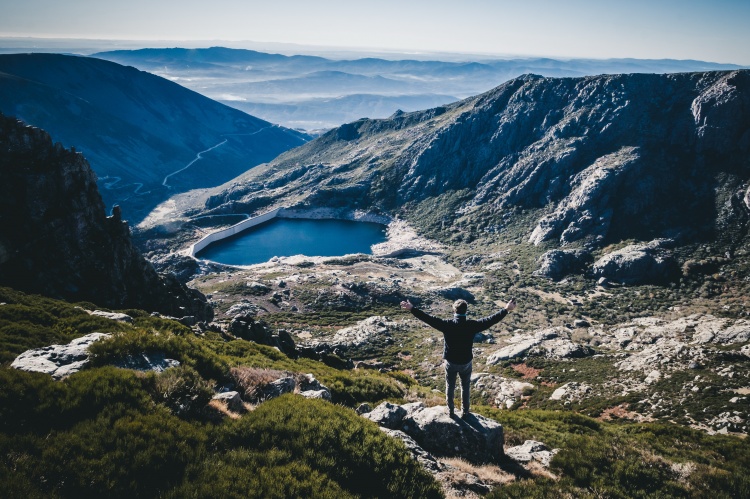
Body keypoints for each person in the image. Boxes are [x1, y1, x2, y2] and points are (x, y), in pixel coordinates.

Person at [400, 297, 517, 418]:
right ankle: (465, 412)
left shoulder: (447, 325)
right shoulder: (472, 325)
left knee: (450, 385)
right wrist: (506, 309)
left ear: (454, 310)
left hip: (451, 362)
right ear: (466, 310)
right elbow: (490, 320)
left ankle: (450, 411)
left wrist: (412, 309)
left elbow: (428, 318)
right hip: (466, 362)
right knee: (465, 387)